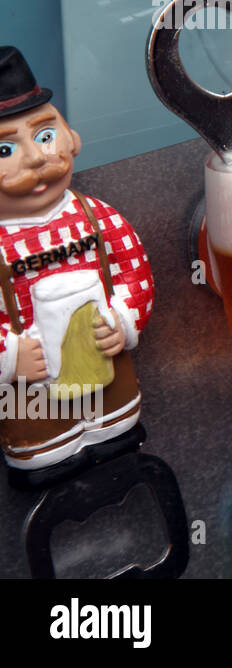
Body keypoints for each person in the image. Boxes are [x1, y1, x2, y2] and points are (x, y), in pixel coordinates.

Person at [0, 46, 154, 477]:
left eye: (45, 136)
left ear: (72, 138)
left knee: (115, 424)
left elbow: (134, 271)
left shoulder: (95, 216)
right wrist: (11, 357)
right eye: (4, 151)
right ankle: (45, 452)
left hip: (105, 368)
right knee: (41, 435)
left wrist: (122, 322)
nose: (34, 158)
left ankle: (112, 432)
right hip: (30, 388)